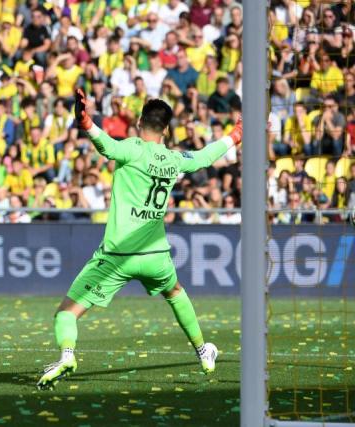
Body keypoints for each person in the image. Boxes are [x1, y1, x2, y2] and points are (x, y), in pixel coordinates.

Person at [37, 89, 243, 389]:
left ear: (138, 124)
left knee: (66, 314)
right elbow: (204, 157)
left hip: (118, 256)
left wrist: (85, 121)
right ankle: (203, 351)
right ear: (167, 130)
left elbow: (104, 144)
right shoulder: (174, 159)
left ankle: (67, 355)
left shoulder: (132, 148)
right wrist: (235, 135)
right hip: (154, 254)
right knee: (174, 292)